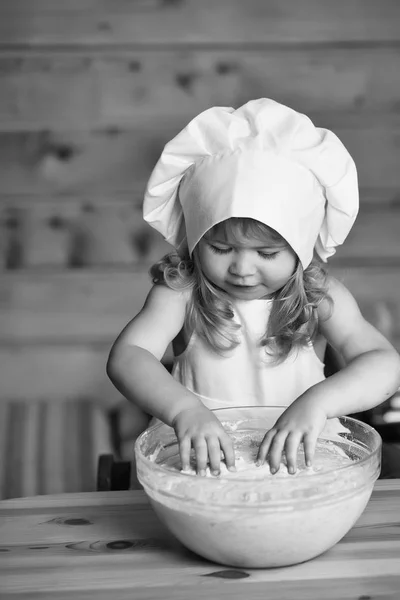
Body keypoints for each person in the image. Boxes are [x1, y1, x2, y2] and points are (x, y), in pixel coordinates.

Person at [107, 98, 400, 478]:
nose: (242, 269)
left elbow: (385, 363)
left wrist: (318, 403)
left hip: (303, 465)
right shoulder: (181, 292)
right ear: (195, 239)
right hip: (200, 465)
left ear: (300, 246)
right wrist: (184, 411)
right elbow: (128, 356)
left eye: (267, 252)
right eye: (221, 248)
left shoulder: (318, 296)